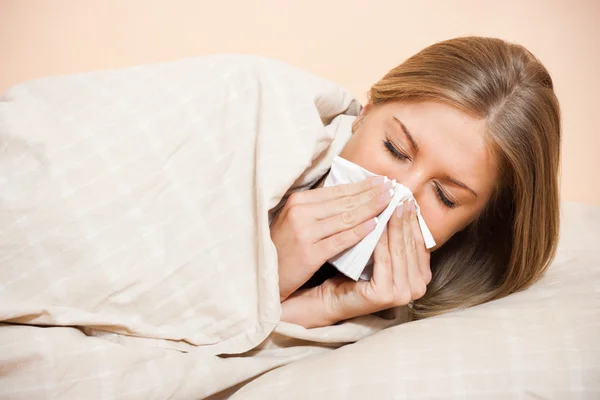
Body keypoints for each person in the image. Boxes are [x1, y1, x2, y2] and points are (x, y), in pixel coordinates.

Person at [270, 36, 561, 328]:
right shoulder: (265, 114)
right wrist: (266, 271)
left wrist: (329, 303)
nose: (400, 192)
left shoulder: (414, 309)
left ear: (474, 224)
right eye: (395, 149)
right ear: (367, 110)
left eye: (445, 196)